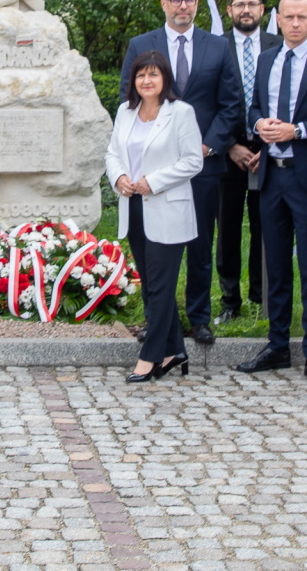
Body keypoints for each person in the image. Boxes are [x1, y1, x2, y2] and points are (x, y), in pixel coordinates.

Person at [234, 0, 307, 386]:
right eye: (289, 17)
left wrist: (297, 130)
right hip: (272, 175)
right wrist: (259, 125)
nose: (296, 24)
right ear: (278, 20)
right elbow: (253, 107)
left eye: (303, 17)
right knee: (277, 266)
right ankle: (277, 344)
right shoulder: (268, 58)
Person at [119, 0, 243, 346]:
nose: (183, 6)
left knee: (200, 244)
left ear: (196, 6)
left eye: (189, 0)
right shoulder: (142, 45)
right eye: (176, 0)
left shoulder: (218, 47)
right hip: (151, 170)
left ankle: (199, 317)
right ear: (163, 4)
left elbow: (231, 104)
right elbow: (129, 101)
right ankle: (159, 321)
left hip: (202, 166)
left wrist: (207, 147)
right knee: (153, 248)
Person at [107, 51, 204, 383]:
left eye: (153, 75)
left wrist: (154, 181)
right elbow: (112, 152)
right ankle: (175, 351)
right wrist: (118, 176)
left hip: (167, 207)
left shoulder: (181, 113)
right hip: (133, 205)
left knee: (161, 286)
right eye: (140, 76)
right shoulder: (125, 111)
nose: (146, 81)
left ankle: (150, 357)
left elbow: (193, 161)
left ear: (165, 80)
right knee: (150, 285)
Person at [218, 0, 278, 326]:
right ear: (230, 11)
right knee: (227, 227)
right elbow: (207, 102)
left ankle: (260, 295)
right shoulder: (215, 47)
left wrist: (266, 146)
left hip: (269, 150)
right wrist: (231, 145)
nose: (245, 10)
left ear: (262, 9)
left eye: (251, 4)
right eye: (239, 4)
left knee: (264, 224)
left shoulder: (278, 45)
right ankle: (229, 299)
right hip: (227, 151)